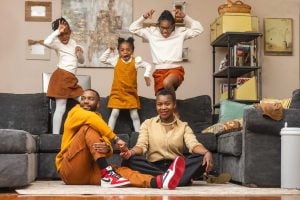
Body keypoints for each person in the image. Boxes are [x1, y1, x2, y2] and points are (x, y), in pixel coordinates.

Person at [56, 89, 186, 189]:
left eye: (90, 99)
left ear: (98, 103)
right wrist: (115, 138)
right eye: (83, 98)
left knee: (120, 171)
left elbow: (107, 148)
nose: (85, 101)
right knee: (87, 128)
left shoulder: (99, 121)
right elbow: (91, 120)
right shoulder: (75, 112)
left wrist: (107, 148)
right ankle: (107, 175)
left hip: (89, 172)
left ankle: (158, 181)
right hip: (69, 170)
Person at [121, 88, 214, 186]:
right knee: (130, 159)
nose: (163, 107)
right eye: (159, 104)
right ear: (156, 106)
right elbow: (141, 145)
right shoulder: (147, 124)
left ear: (174, 105)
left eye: (167, 104)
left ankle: (162, 179)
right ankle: (177, 179)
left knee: (202, 158)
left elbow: (193, 144)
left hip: (176, 167)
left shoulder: (183, 126)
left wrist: (206, 152)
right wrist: (131, 152)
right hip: (152, 166)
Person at [129, 9, 204, 95]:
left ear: (173, 26)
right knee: (161, 100)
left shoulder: (179, 32)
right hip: (159, 72)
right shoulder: (152, 32)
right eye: (162, 28)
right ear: (158, 26)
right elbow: (132, 29)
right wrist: (143, 17)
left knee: (167, 83)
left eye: (168, 28)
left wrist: (185, 16)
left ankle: (174, 104)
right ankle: (171, 106)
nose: (165, 31)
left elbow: (199, 29)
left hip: (175, 70)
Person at [100, 37, 152, 132]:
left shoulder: (136, 61)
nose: (125, 52)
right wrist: (109, 50)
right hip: (117, 93)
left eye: (128, 50)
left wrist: (146, 75)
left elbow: (148, 65)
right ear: (119, 51)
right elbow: (102, 59)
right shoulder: (116, 60)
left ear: (132, 51)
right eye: (122, 50)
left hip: (130, 93)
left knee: (134, 115)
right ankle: (109, 133)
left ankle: (138, 135)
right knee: (114, 112)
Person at [44, 17, 85, 134]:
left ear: (70, 32)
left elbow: (81, 61)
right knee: (61, 107)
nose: (64, 37)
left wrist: (79, 52)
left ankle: (84, 130)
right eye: (61, 35)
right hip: (61, 77)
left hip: (71, 79)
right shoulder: (57, 43)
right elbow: (46, 42)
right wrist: (58, 31)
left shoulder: (75, 43)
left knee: (86, 101)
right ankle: (55, 136)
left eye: (66, 33)